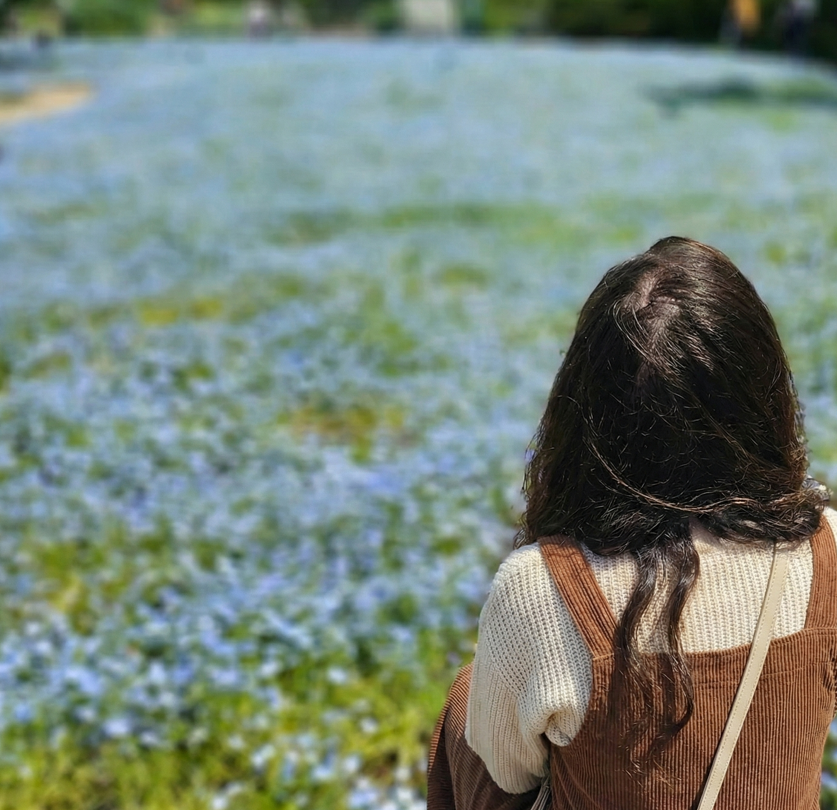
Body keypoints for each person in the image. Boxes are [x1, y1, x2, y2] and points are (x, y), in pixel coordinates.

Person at [428, 236, 837, 809]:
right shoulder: (828, 546)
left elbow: (509, 771)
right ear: (760, 397)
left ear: (583, 417)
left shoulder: (538, 589)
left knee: (469, 699)